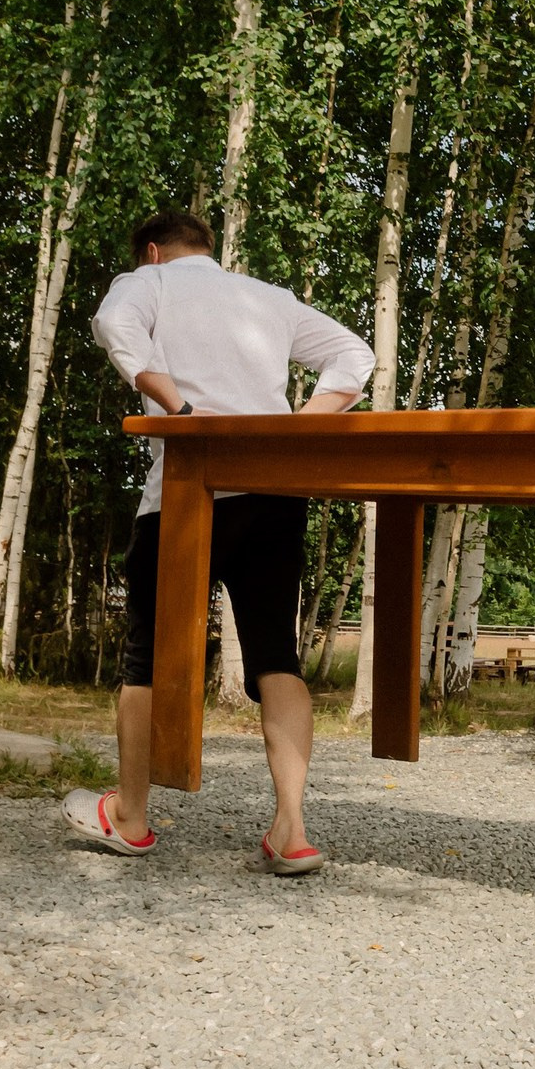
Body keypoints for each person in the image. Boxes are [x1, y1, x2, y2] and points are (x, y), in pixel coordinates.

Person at [63, 211, 375, 875]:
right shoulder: (267, 297)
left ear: (152, 251)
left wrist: (176, 409)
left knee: (145, 655)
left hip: (187, 491)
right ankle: (291, 829)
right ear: (206, 248)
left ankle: (131, 817)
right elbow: (355, 355)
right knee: (275, 655)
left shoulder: (149, 283)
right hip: (273, 491)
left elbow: (114, 324)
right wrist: (293, 430)